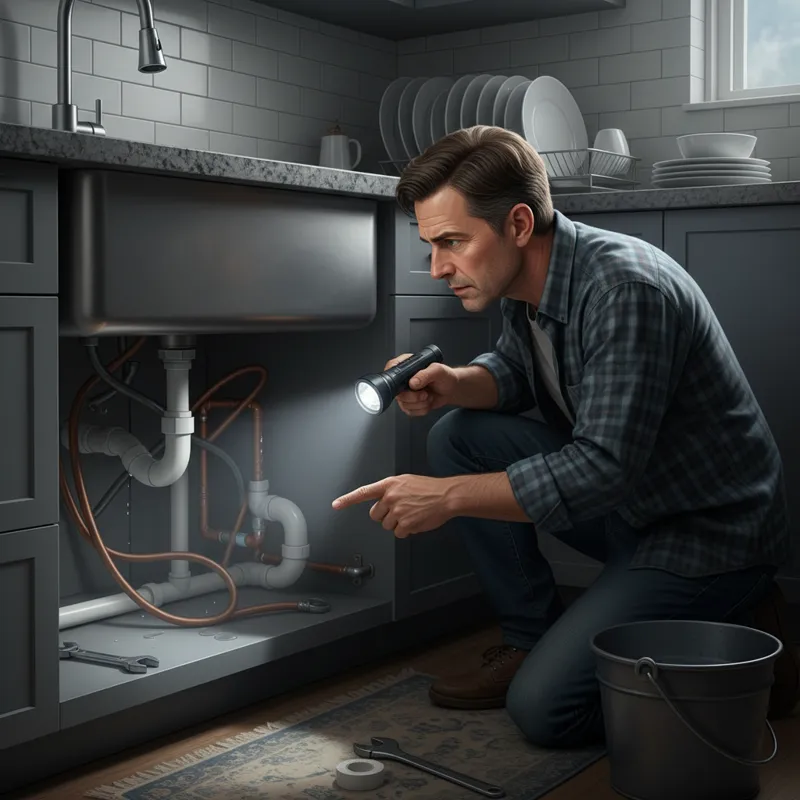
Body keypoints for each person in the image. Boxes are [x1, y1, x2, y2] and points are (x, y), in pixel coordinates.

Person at [332, 125, 798, 747]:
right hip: (635, 508)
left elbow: (602, 467)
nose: (439, 266)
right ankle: (532, 641)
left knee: (546, 713)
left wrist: (446, 499)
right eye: (431, 245)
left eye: (452, 242)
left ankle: (742, 635)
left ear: (518, 224)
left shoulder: (623, 290)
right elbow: (520, 371)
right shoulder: (528, 280)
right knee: (458, 435)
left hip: (706, 533)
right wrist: (454, 382)